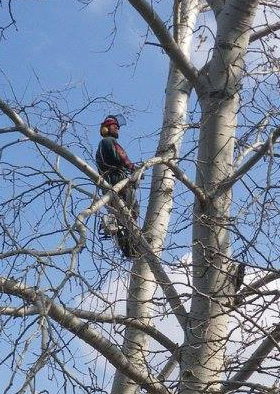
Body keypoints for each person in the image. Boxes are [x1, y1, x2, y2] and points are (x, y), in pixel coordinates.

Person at [96, 115, 139, 250]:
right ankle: (132, 243)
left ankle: (127, 246)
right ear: (106, 129)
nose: (117, 130)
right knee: (131, 211)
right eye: (115, 127)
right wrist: (132, 168)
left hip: (109, 184)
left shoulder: (101, 146)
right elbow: (121, 156)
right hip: (117, 180)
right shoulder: (108, 141)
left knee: (120, 216)